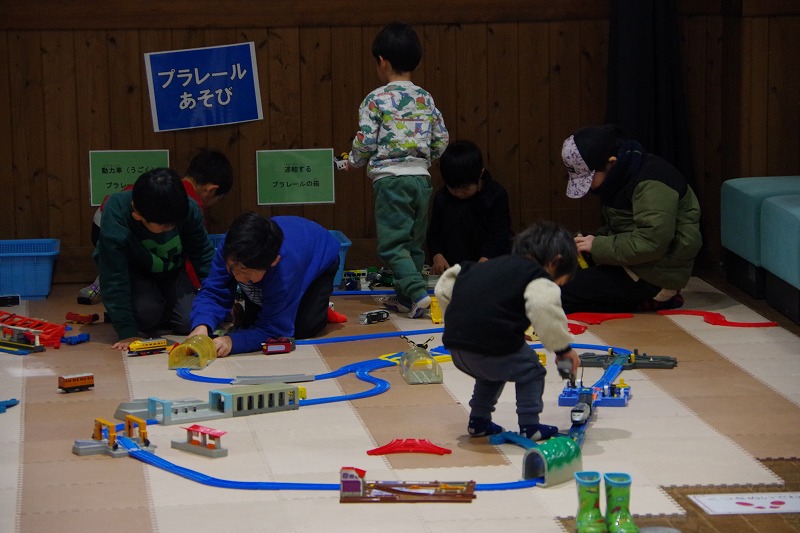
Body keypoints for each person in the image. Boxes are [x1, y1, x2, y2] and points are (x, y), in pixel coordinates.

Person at [434, 221, 581, 441]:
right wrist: (563, 349)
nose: (557, 286)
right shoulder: (537, 275)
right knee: (532, 371)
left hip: (457, 347)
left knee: (491, 374)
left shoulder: (486, 265)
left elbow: (444, 286)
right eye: (560, 282)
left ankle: (479, 422)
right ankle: (530, 426)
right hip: (492, 347)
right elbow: (543, 307)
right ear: (555, 262)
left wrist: (460, 323)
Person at [345, 21, 449, 318]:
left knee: (392, 245)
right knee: (413, 245)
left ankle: (417, 293)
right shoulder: (425, 97)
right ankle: (407, 301)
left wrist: (353, 161)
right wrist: (424, 159)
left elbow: (366, 140)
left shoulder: (375, 99)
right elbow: (441, 139)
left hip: (391, 180)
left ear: (382, 61)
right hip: (421, 179)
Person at [559, 124, 702, 314]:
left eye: (589, 179)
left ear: (611, 162)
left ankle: (654, 299)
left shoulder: (652, 183)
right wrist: (589, 241)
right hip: (634, 263)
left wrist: (597, 245)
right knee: (556, 272)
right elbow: (623, 227)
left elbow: (651, 243)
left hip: (655, 276)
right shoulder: (620, 176)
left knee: (559, 293)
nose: (589, 188)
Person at [78, 148, 234, 304]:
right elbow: (191, 258)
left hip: (100, 218)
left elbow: (199, 252)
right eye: (218, 199)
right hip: (110, 223)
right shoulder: (185, 204)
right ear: (211, 190)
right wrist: (198, 288)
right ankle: (108, 279)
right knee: (121, 262)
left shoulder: (170, 187)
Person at [188, 212, 341, 358]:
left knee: (302, 328)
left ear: (274, 261)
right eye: (233, 269)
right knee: (250, 324)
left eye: (247, 272)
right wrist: (201, 325)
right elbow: (214, 290)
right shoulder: (232, 246)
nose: (239, 278)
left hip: (319, 261)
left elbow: (275, 329)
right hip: (279, 263)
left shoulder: (285, 269)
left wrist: (231, 342)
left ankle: (319, 308)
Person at [95, 167, 215, 352]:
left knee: (189, 320)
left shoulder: (186, 208)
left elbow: (203, 256)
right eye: (165, 227)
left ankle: (160, 307)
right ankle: (138, 309)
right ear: (138, 216)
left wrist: (218, 303)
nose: (171, 228)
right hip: (134, 273)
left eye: (174, 224)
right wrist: (126, 330)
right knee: (147, 314)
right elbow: (113, 276)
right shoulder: (117, 213)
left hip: (173, 271)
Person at [427, 140, 513, 275]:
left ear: (480, 174)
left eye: (465, 188)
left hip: (491, 263)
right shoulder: (443, 197)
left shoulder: (495, 194)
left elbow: (500, 234)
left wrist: (483, 262)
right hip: (453, 266)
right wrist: (437, 255)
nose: (459, 194)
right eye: (453, 188)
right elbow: (434, 232)